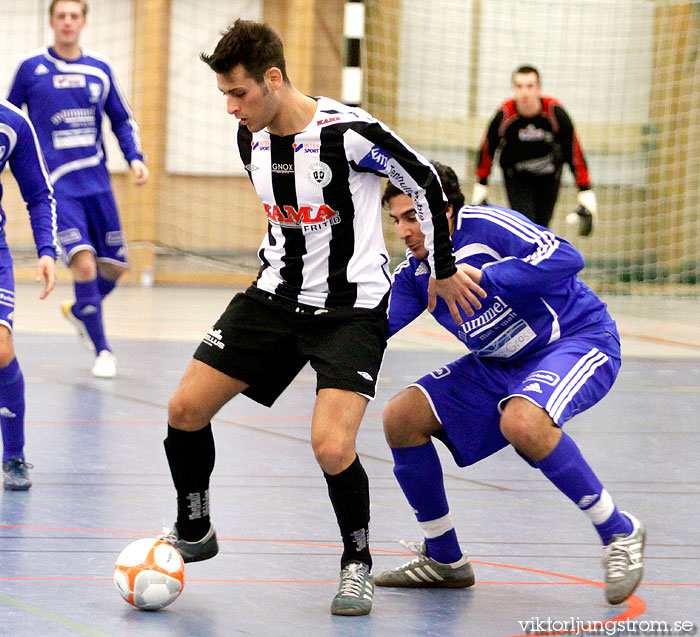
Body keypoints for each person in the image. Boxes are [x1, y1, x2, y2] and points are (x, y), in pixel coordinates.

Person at [157, 18, 483, 617]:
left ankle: (356, 564)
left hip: (350, 312)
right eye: (224, 95)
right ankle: (195, 527)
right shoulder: (250, 137)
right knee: (183, 410)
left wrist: (440, 265)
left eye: (239, 93)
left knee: (332, 447)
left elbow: (428, 181)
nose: (231, 108)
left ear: (273, 78)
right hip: (272, 297)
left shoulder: (351, 132)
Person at [375, 161, 645, 606]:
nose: (405, 231)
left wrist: (488, 276)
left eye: (413, 217)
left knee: (522, 422)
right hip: (499, 363)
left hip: (575, 339)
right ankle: (444, 557)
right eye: (397, 220)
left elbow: (566, 256)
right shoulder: (417, 275)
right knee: (401, 417)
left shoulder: (486, 227)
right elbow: (371, 330)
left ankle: (620, 531)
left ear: (443, 211)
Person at [7, 0, 148, 378]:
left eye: (74, 16)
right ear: (51, 21)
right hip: (56, 185)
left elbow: (121, 118)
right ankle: (104, 351)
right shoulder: (30, 68)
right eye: (61, 16)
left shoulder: (99, 69)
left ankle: (81, 310)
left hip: (97, 182)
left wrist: (134, 157)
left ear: (83, 22)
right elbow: (8, 122)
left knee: (115, 266)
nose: (68, 22)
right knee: (83, 261)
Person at [0, 98, 58, 490]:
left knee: (1, 348)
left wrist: (46, 250)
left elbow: (39, 194)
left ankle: (14, 455)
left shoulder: (11, 123)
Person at [473, 65, 597, 232]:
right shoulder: (505, 114)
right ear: (514, 89)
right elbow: (488, 148)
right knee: (526, 226)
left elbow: (573, 149)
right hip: (517, 177)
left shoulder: (554, 112)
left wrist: (585, 190)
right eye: (519, 86)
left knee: (542, 228)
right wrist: (481, 184)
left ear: (539, 89)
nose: (524, 92)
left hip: (549, 177)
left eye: (530, 86)